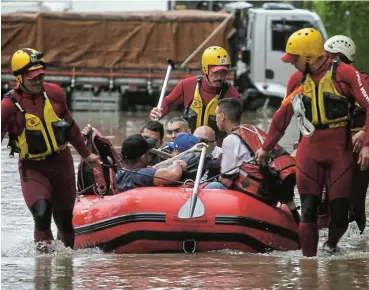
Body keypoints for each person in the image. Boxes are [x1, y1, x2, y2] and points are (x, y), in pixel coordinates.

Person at [255, 28, 369, 256]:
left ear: (307, 56)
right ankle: (309, 268)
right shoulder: (296, 79)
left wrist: (366, 139)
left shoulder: (346, 74)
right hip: (310, 150)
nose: (291, 63)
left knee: (339, 212)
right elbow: (281, 117)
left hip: (340, 151)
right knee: (308, 209)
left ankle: (331, 246)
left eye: (294, 58)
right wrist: (266, 148)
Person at [1, 48, 100, 252]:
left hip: (61, 163)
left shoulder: (55, 93)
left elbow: (71, 127)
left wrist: (86, 154)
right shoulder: (7, 106)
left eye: (41, 76)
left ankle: (65, 268)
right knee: (41, 213)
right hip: (33, 167)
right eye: (32, 78)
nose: (38, 81)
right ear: (19, 78)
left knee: (64, 219)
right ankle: (43, 266)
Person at [206, 99, 297, 212]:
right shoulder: (251, 129)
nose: (215, 119)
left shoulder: (230, 140)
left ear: (222, 117)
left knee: (211, 188)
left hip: (254, 193)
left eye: (216, 115)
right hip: (269, 189)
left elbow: (226, 181)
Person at [321, 35, 368, 233]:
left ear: (337, 58)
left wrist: (366, 139)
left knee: (356, 203)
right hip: (335, 150)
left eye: (327, 57)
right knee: (326, 198)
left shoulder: (363, 81)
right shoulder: (322, 84)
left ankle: (358, 248)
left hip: (359, 152)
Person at [149, 46, 241, 133]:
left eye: (223, 72)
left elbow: (235, 130)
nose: (220, 77)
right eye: (216, 72)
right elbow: (167, 103)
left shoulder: (233, 97)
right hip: (188, 144)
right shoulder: (186, 85)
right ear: (205, 69)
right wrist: (157, 113)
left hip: (215, 147)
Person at [114, 134, 187, 192]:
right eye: (148, 153)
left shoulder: (121, 173)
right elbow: (174, 174)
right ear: (142, 157)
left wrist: (175, 158)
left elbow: (154, 168)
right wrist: (177, 163)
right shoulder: (140, 175)